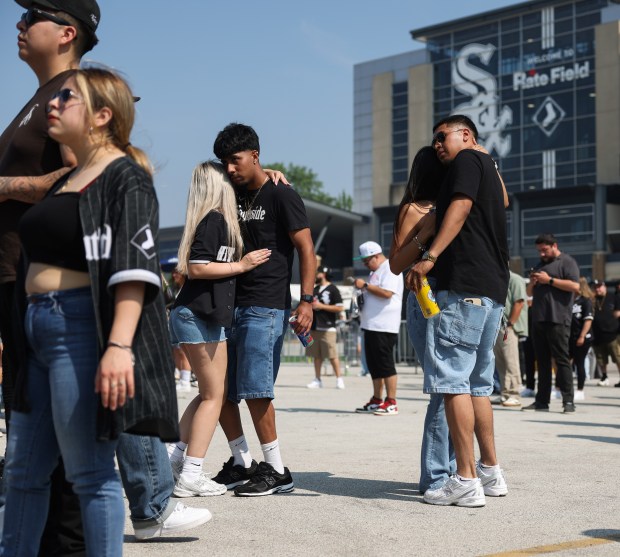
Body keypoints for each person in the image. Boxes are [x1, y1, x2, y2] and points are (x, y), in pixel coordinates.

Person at [0, 1, 211, 545]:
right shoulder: (69, 182)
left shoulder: (121, 177)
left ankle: (147, 505)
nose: (56, 102)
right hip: (34, 322)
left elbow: (134, 269)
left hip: (77, 324)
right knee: (22, 474)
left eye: (68, 98)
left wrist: (117, 346)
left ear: (100, 116)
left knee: (89, 474)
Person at [211, 123, 316, 496]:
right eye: (224, 162)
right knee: (221, 392)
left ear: (255, 154)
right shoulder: (230, 192)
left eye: (236, 160)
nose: (230, 169)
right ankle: (242, 462)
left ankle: (276, 470)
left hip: (266, 305)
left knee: (256, 389)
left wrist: (307, 300)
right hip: (229, 305)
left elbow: (307, 249)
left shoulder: (281, 194)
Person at [410, 114, 509, 507]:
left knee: (452, 382)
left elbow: (462, 206)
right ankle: (490, 470)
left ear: (465, 135)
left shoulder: (467, 161)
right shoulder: (485, 163)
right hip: (491, 291)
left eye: (441, 136)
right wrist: (490, 159)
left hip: (464, 287)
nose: (436, 144)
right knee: (480, 385)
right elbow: (501, 199)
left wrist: (430, 255)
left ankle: (465, 478)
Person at [167, 161, 271, 498]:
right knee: (215, 395)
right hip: (198, 315)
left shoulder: (216, 218)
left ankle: (176, 461)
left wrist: (272, 175)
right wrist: (242, 264)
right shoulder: (213, 219)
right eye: (228, 179)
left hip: (202, 315)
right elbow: (195, 266)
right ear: (218, 185)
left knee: (208, 394)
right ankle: (190, 474)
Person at [389, 146, 455, 491]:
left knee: (460, 389)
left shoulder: (457, 204)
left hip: (456, 298)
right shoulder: (413, 209)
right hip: (425, 299)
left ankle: (457, 469)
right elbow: (396, 263)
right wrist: (426, 231)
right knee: (444, 389)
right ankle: (435, 475)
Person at [523, 233, 580, 413]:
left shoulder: (567, 262)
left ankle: (568, 401)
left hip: (558, 319)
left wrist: (550, 281)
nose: (541, 254)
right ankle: (542, 402)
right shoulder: (541, 265)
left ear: (554, 245)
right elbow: (529, 293)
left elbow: (575, 287)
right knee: (542, 362)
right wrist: (533, 282)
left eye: (544, 250)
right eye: (539, 250)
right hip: (539, 319)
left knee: (562, 361)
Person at [352, 241, 403, 416]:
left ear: (376, 256)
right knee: (374, 365)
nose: (365, 264)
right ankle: (376, 399)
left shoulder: (390, 268)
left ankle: (391, 401)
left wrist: (365, 286)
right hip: (371, 324)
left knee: (385, 364)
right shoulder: (375, 271)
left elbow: (387, 293)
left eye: (367, 260)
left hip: (384, 326)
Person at [492, 270, 528, 408]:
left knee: (511, 360)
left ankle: (514, 394)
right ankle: (505, 393)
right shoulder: (498, 277)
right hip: (498, 324)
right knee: (500, 361)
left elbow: (519, 302)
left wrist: (511, 324)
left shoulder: (515, 279)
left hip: (508, 326)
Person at [306, 266, 345, 389]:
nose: (316, 275)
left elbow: (340, 307)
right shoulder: (315, 289)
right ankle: (317, 379)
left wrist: (321, 306)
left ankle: (339, 379)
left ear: (323, 274)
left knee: (332, 355)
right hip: (315, 326)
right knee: (316, 355)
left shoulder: (333, 289)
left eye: (318, 273)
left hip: (328, 327)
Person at [590, 280, 620, 387]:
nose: (598, 289)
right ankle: (604, 376)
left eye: (600, 287)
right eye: (596, 287)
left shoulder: (613, 297)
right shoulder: (592, 300)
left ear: (605, 287)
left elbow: (618, 312)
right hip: (597, 335)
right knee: (601, 359)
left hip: (612, 334)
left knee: (617, 357)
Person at [569, 278, 594, 401]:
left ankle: (580, 390)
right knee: (565, 363)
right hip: (570, 337)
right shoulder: (570, 300)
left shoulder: (586, 301)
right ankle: (561, 387)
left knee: (579, 363)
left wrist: (582, 336)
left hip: (582, 337)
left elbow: (588, 320)